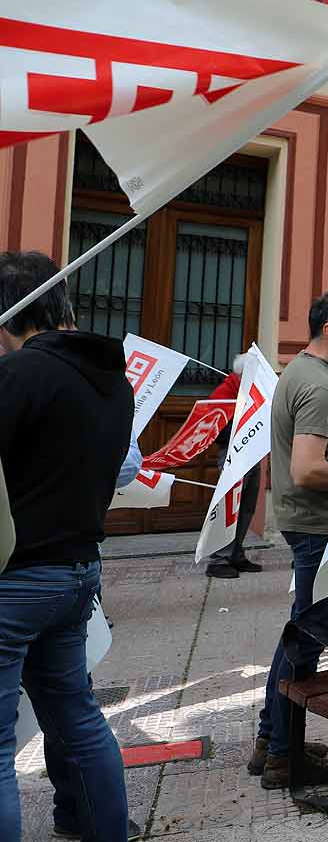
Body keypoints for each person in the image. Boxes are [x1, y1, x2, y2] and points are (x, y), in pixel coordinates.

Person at [0, 251, 134, 842]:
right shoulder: (109, 379)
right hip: (77, 571)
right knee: (77, 718)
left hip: (16, 575)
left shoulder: (24, 376)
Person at [251, 290, 328, 789]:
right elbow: (306, 468)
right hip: (317, 527)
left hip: (313, 525)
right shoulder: (318, 386)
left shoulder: (309, 373)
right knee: (308, 638)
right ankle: (283, 754)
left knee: (299, 631)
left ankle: (272, 738)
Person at [204, 352, 266, 580]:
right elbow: (215, 428)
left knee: (246, 507)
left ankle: (235, 552)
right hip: (233, 456)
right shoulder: (225, 392)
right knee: (227, 509)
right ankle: (218, 559)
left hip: (251, 454)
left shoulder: (248, 391)